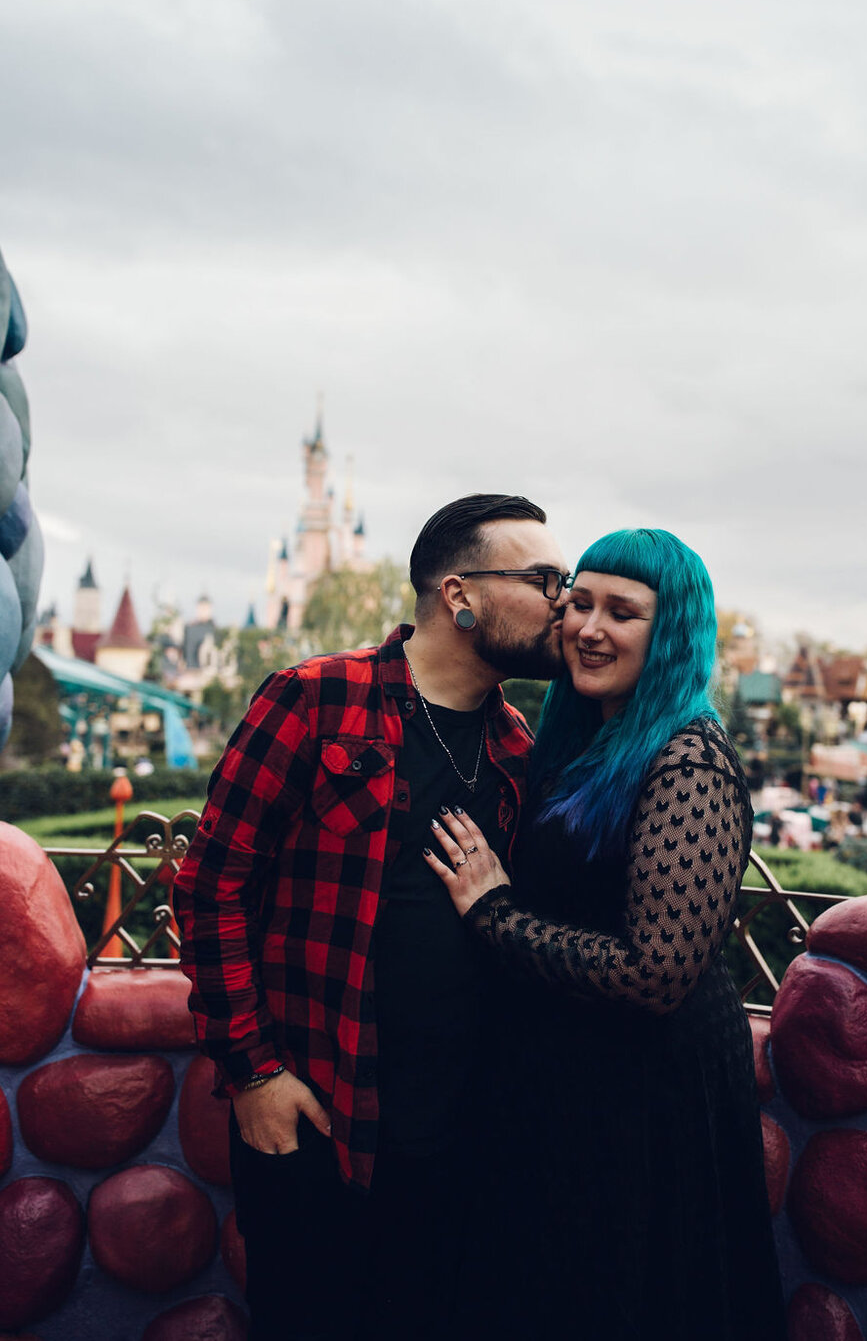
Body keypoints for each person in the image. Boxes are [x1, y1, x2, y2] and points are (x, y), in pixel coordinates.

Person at [173, 493, 570, 1341]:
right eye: (542, 579)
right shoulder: (314, 701)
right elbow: (211, 886)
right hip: (318, 1113)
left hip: (456, 1130)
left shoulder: (515, 749)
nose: (561, 600)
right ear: (460, 597)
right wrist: (253, 1072)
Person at [426, 528, 788, 1341]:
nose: (589, 627)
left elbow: (655, 971)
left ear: (672, 634)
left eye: (622, 612)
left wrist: (494, 913)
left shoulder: (688, 761)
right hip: (570, 1082)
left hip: (643, 1097)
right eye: (579, 602)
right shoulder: (588, 739)